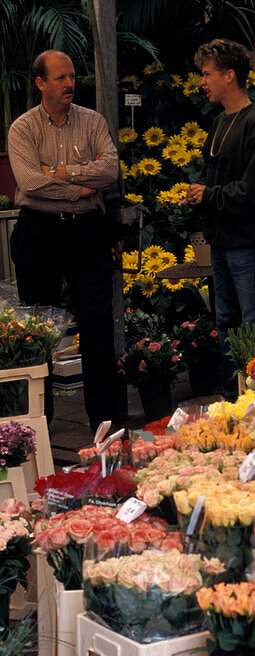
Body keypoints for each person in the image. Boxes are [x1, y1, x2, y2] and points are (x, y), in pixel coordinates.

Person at [7, 49, 122, 431]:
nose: (70, 83)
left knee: (98, 326)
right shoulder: (23, 128)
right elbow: (28, 183)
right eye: (60, 77)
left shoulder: (92, 121)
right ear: (40, 83)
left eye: (72, 76)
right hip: (39, 232)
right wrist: (78, 190)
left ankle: (105, 424)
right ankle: (39, 424)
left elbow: (109, 170)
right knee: (39, 330)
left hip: (87, 236)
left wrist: (59, 172)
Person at [186, 39, 255, 399]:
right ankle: (233, 396)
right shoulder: (220, 122)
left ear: (230, 75)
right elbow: (223, 181)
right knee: (227, 323)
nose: (203, 82)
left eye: (207, 74)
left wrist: (208, 195)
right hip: (222, 243)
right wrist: (201, 192)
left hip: (247, 244)